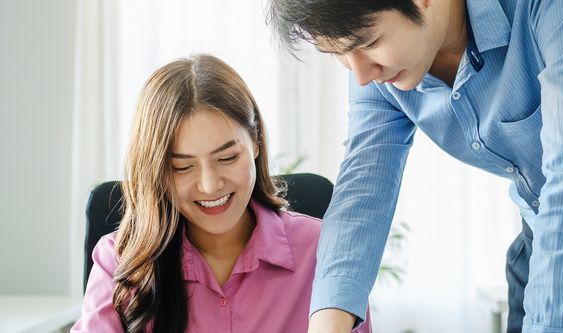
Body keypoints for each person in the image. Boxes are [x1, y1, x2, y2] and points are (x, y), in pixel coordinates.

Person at [267, 0, 563, 332]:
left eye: (366, 45)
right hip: (545, 239)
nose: (360, 75)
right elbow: (361, 189)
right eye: (340, 56)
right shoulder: (374, 65)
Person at [72, 54, 371, 332]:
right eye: (182, 167)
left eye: (227, 158)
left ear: (256, 142)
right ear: (158, 172)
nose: (210, 184)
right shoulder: (119, 261)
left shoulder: (324, 252)